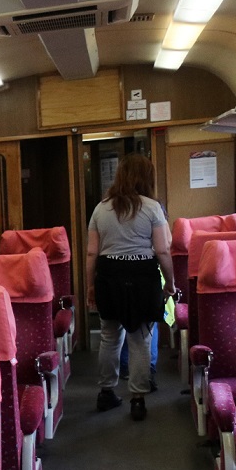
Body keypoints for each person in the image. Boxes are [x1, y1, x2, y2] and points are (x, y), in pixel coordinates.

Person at [86, 154, 176, 421]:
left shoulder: (101, 209)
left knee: (109, 337)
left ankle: (106, 393)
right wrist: (170, 283)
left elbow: (92, 253)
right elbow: (163, 250)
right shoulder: (152, 208)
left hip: (109, 276)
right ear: (147, 178)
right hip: (143, 277)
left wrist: (90, 285)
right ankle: (137, 399)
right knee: (140, 340)